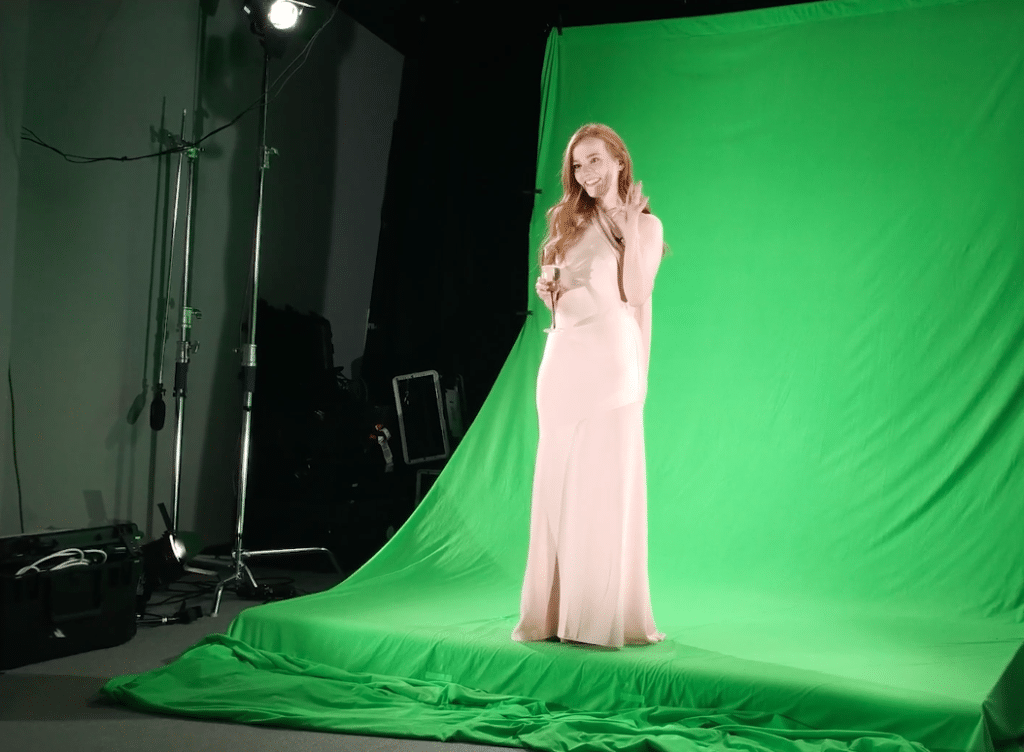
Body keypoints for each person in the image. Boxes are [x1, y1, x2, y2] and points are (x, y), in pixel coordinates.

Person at [511, 123, 666, 648]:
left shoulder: (646, 225)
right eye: (578, 165)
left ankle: (599, 617)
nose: (587, 173)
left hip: (611, 366)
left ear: (619, 160)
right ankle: (553, 614)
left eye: (596, 160)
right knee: (558, 484)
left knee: (603, 486)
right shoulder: (566, 222)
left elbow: (635, 291)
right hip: (563, 363)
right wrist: (547, 289)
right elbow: (564, 299)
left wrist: (625, 230)